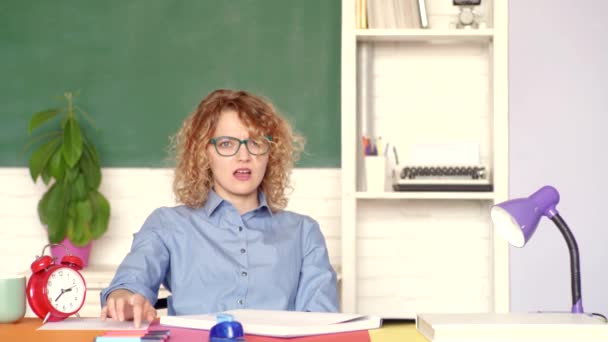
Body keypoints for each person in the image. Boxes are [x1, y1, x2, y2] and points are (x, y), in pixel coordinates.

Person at [99, 89, 338, 327]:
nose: (244, 156)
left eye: (255, 143)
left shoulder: (303, 232)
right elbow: (129, 283)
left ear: (270, 153)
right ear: (204, 154)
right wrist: (124, 300)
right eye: (226, 144)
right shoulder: (168, 224)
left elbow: (322, 324)